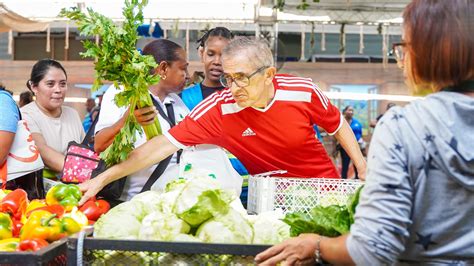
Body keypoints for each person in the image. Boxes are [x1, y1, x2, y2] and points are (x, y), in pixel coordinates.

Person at [255, 0, 474, 264]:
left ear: (431, 52)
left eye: (405, 47)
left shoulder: (403, 127)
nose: (401, 61)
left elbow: (373, 248)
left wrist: (316, 245)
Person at [78, 37, 366, 204]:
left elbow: (337, 124)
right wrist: (103, 177)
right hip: (269, 199)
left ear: (269, 75)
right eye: (228, 78)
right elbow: (159, 147)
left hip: (325, 190)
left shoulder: (302, 92)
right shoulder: (218, 108)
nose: (233, 87)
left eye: (242, 77)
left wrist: (362, 169)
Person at [93, 39, 191, 202]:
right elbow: (99, 144)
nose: (187, 76)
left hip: (167, 201)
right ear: (163, 68)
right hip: (128, 202)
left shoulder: (177, 103)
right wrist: (128, 120)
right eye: (183, 68)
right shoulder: (123, 93)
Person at [21, 59, 85, 179]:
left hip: (75, 186)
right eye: (50, 84)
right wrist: (84, 174)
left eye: (62, 84)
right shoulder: (26, 115)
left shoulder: (72, 114)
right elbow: (42, 151)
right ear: (34, 87)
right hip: (41, 191)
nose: (58, 90)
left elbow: (82, 152)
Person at [180, 27, 234, 111]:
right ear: (202, 54)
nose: (217, 62)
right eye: (211, 54)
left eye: (224, 55)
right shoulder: (184, 98)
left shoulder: (238, 96)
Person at [340, 105, 364, 179]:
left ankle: (357, 183)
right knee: (345, 166)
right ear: (345, 112)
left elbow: (360, 135)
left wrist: (362, 146)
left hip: (356, 148)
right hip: (344, 148)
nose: (351, 112)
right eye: (349, 110)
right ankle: (343, 184)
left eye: (352, 110)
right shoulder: (341, 123)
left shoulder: (357, 123)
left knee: (357, 166)